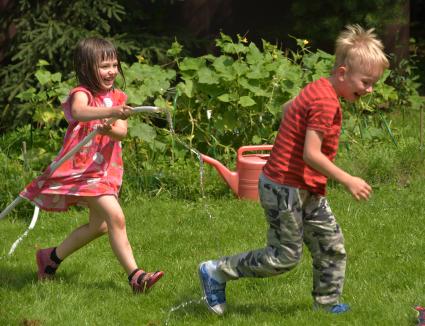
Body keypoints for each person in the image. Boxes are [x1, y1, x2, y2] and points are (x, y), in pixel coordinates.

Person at [198, 24, 389, 315]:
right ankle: (217, 271)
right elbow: (311, 154)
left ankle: (327, 305)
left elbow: (288, 108)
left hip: (305, 185)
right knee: (284, 257)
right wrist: (347, 179)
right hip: (283, 187)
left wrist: (292, 132)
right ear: (341, 73)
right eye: (365, 82)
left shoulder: (319, 87)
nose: (370, 89)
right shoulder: (325, 101)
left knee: (330, 244)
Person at [20, 37, 164, 293]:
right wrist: (109, 113)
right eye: (104, 66)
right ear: (88, 67)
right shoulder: (82, 94)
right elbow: (79, 112)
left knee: (100, 226)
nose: (111, 71)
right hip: (84, 170)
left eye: (114, 65)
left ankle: (49, 259)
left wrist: (111, 126)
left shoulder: (118, 97)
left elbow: (121, 133)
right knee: (116, 216)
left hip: (107, 170)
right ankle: (136, 276)